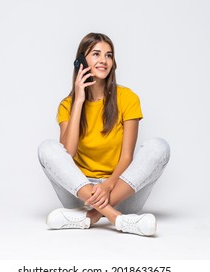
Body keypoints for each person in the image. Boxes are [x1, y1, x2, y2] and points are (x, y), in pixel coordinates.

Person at [38, 32, 170, 236]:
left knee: (159, 146)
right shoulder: (68, 106)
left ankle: (89, 217)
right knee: (46, 148)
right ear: (81, 61)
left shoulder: (127, 98)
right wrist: (79, 100)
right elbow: (67, 153)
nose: (104, 60)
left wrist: (108, 185)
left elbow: (127, 156)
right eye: (96, 54)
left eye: (109, 55)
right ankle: (116, 218)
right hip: (80, 192)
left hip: (119, 191)